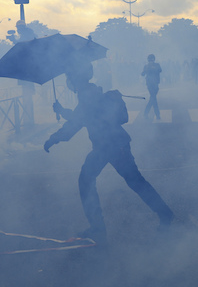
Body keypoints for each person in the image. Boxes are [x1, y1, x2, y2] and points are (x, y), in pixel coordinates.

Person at [44, 60, 174, 245]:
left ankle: (98, 228)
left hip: (109, 146)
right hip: (111, 144)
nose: (69, 81)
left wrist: (54, 138)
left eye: (70, 77)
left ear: (76, 79)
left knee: (91, 180)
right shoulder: (90, 92)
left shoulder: (86, 95)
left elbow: (74, 125)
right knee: (132, 181)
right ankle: (164, 214)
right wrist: (63, 112)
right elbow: (81, 117)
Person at [141, 54, 162, 120]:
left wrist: (151, 68)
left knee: (152, 99)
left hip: (154, 84)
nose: (151, 61)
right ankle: (157, 115)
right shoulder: (147, 66)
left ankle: (146, 113)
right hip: (151, 84)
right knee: (153, 98)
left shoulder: (156, 65)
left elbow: (160, 70)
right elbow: (142, 74)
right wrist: (147, 69)